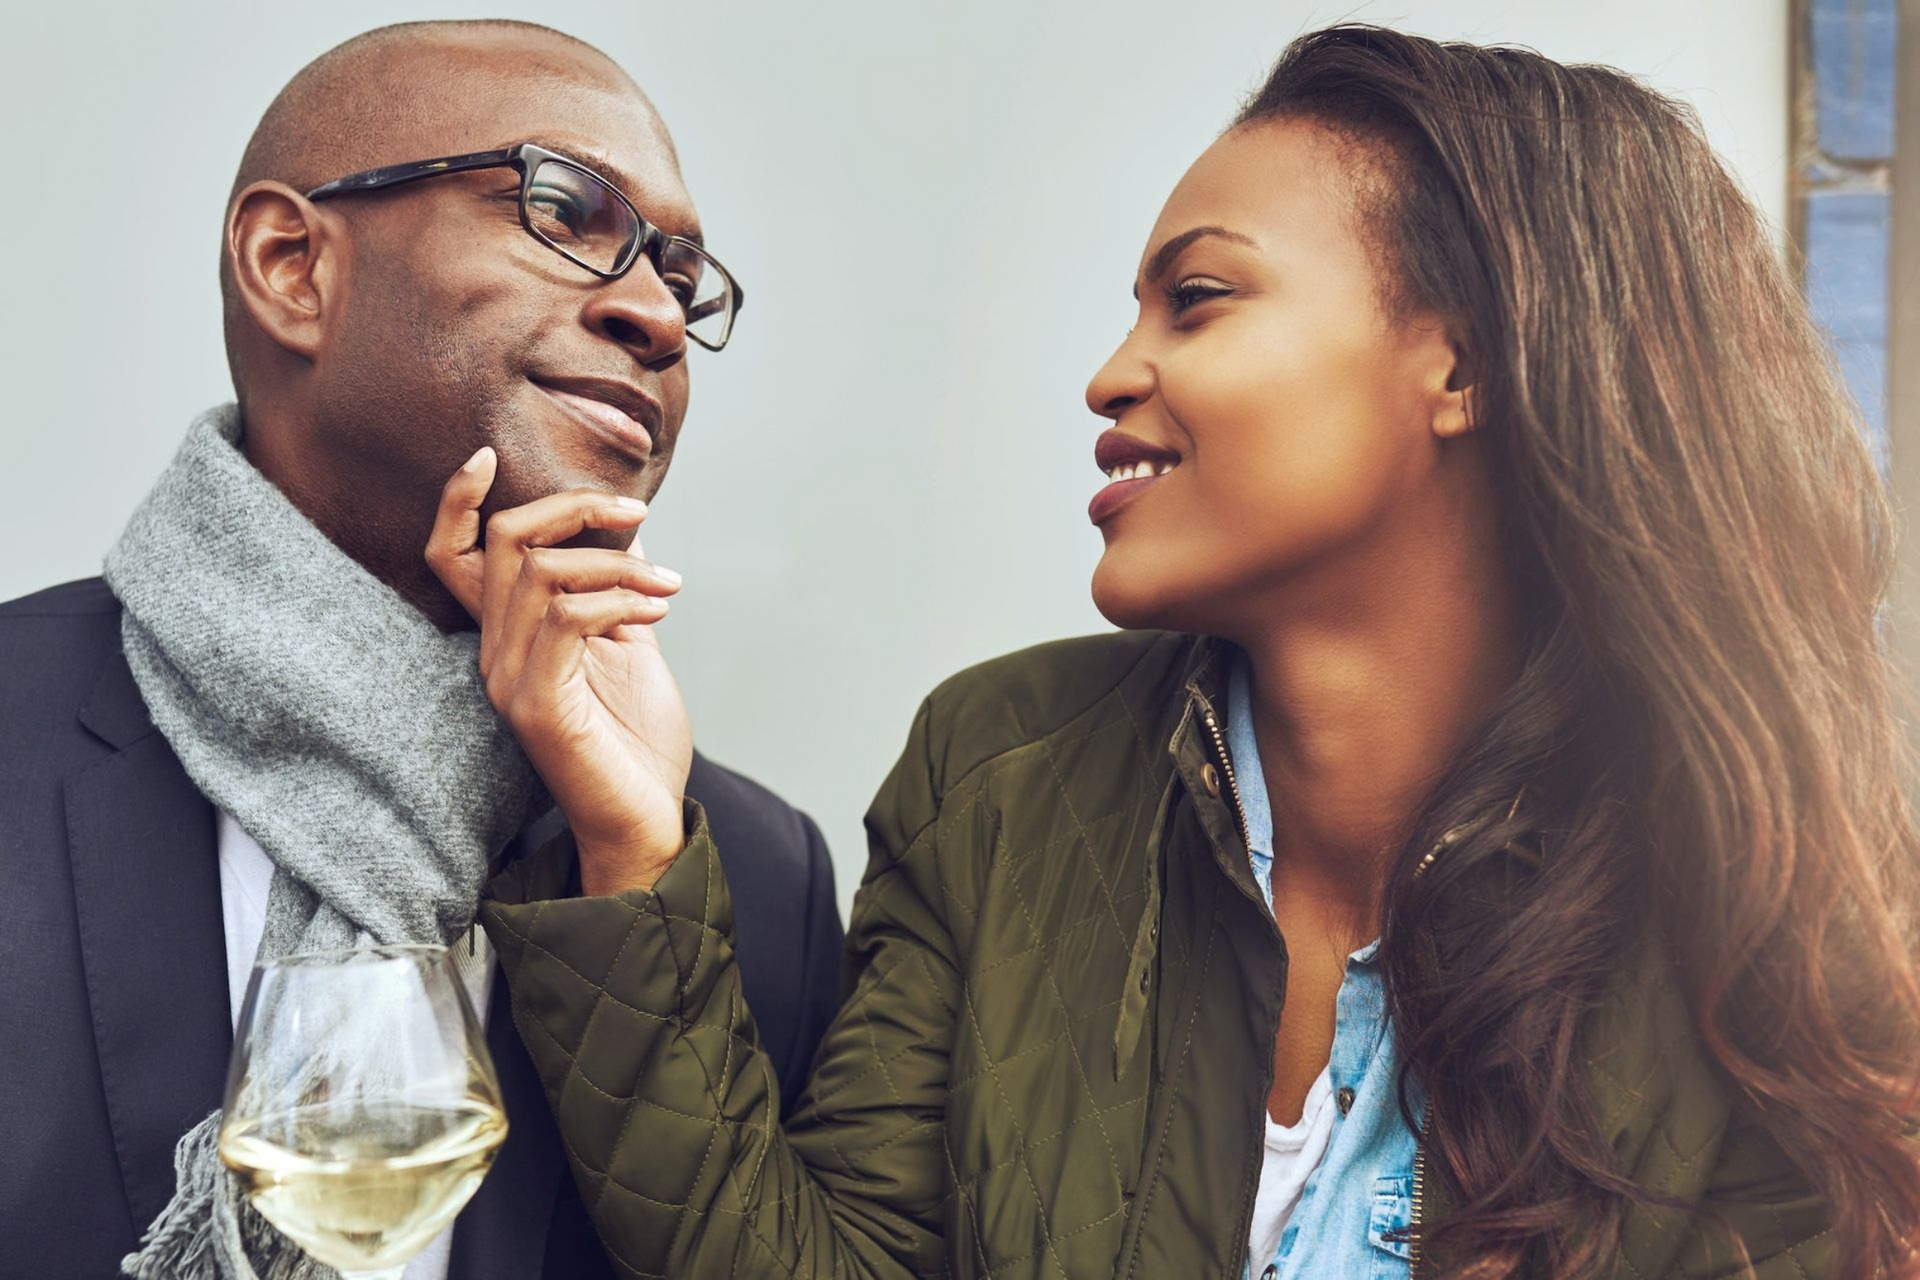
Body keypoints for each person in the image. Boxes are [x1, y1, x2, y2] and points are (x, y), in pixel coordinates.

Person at [446, 23, 1920, 1280]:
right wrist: (633, 842)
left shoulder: (1763, 868)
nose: (1113, 371)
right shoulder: (1004, 770)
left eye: (1197, 299)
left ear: (1461, 361)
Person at [0, 19, 843, 1280]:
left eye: (683, 275)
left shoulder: (743, 879)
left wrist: (634, 874)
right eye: (567, 209)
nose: (656, 313)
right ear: (292, 264)